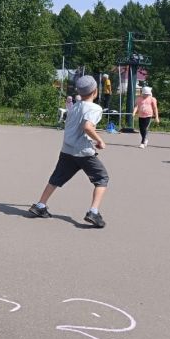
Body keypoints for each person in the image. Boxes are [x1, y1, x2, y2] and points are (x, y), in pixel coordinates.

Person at [28, 75, 109, 228]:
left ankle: (40, 206)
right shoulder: (94, 108)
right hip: (83, 151)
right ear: (95, 91)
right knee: (102, 178)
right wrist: (99, 140)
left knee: (56, 178)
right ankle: (93, 212)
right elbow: (87, 127)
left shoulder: (75, 106)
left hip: (67, 150)